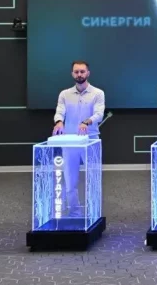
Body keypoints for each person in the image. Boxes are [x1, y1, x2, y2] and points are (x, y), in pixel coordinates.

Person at [52, 60, 105, 217]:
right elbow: (59, 111)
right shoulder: (64, 94)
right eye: (76, 72)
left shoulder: (98, 93)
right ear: (72, 74)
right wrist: (59, 122)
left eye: (82, 71)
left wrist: (86, 122)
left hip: (91, 140)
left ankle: (94, 213)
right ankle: (74, 213)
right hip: (70, 141)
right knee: (70, 181)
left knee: (93, 179)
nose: (79, 74)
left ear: (88, 73)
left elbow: (99, 114)